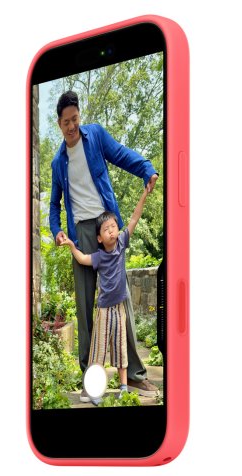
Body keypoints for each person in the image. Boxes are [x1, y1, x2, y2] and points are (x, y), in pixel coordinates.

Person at [49, 90, 159, 402]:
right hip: (80, 233)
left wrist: (146, 168)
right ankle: (91, 379)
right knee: (85, 308)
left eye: (75, 119)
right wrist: (57, 231)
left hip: (106, 225)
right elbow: (54, 206)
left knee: (121, 299)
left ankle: (134, 374)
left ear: (79, 116)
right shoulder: (58, 162)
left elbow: (121, 154)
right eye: (66, 122)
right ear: (59, 124)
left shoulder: (95, 135)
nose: (72, 126)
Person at [60, 187, 150, 404]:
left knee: (120, 348)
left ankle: (123, 388)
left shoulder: (122, 243)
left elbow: (135, 218)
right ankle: (93, 390)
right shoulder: (99, 256)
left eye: (113, 227)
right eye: (106, 229)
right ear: (99, 238)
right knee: (98, 350)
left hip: (119, 309)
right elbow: (82, 259)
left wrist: (145, 194)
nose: (111, 231)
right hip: (103, 311)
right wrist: (71, 245)